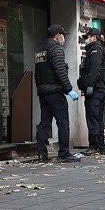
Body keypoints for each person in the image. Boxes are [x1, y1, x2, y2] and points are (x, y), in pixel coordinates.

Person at [34, 24, 80, 163]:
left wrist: (40, 89)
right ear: (57, 36)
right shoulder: (56, 49)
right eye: (62, 34)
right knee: (63, 123)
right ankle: (63, 154)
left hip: (43, 92)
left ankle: (42, 154)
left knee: (44, 123)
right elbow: (60, 71)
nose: (63, 37)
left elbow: (37, 74)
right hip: (55, 91)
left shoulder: (40, 52)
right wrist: (69, 89)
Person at [78, 29, 105, 155]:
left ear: (94, 38)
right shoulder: (94, 49)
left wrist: (89, 85)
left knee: (93, 118)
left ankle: (94, 146)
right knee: (97, 118)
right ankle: (100, 147)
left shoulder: (96, 49)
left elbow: (94, 69)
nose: (87, 39)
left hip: (95, 90)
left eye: (88, 36)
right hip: (97, 89)